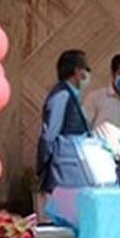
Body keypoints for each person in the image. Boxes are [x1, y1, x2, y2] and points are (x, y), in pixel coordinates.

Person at [37, 49, 93, 199]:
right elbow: (49, 134)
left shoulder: (72, 95)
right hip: (63, 174)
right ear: (77, 71)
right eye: (86, 69)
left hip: (74, 173)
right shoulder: (61, 95)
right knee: (66, 213)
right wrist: (42, 166)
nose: (88, 74)